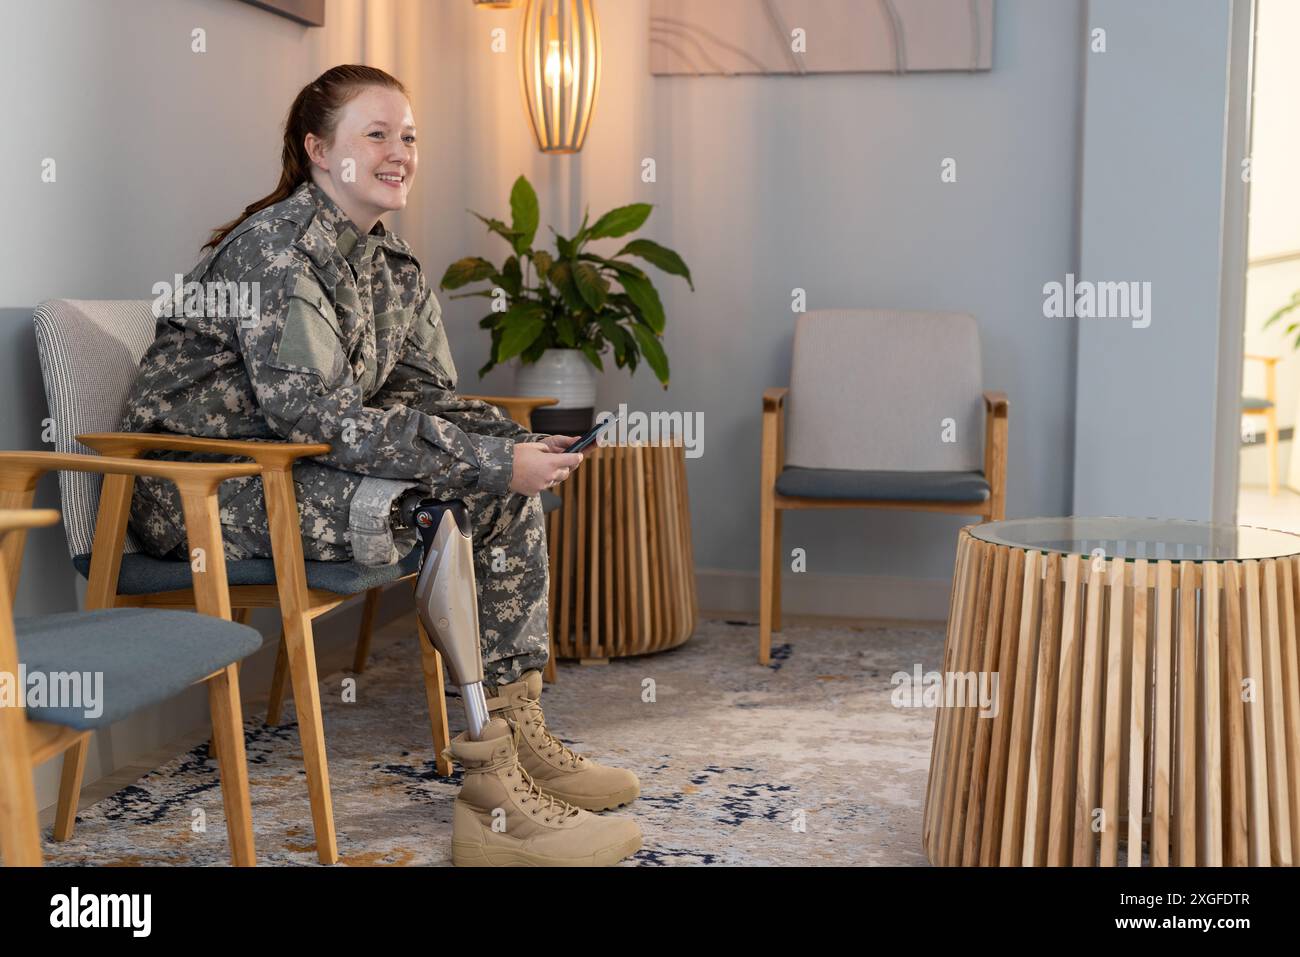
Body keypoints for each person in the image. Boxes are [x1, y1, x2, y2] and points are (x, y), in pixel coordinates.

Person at [121, 64, 641, 866]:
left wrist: (509, 449)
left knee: (496, 491)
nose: (400, 151)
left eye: (408, 137)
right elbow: (310, 414)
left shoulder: (388, 262)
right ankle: (491, 800)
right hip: (201, 484)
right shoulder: (274, 251)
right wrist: (486, 461)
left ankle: (518, 732)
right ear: (319, 151)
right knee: (433, 509)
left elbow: (424, 396)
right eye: (377, 134)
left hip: (295, 470)